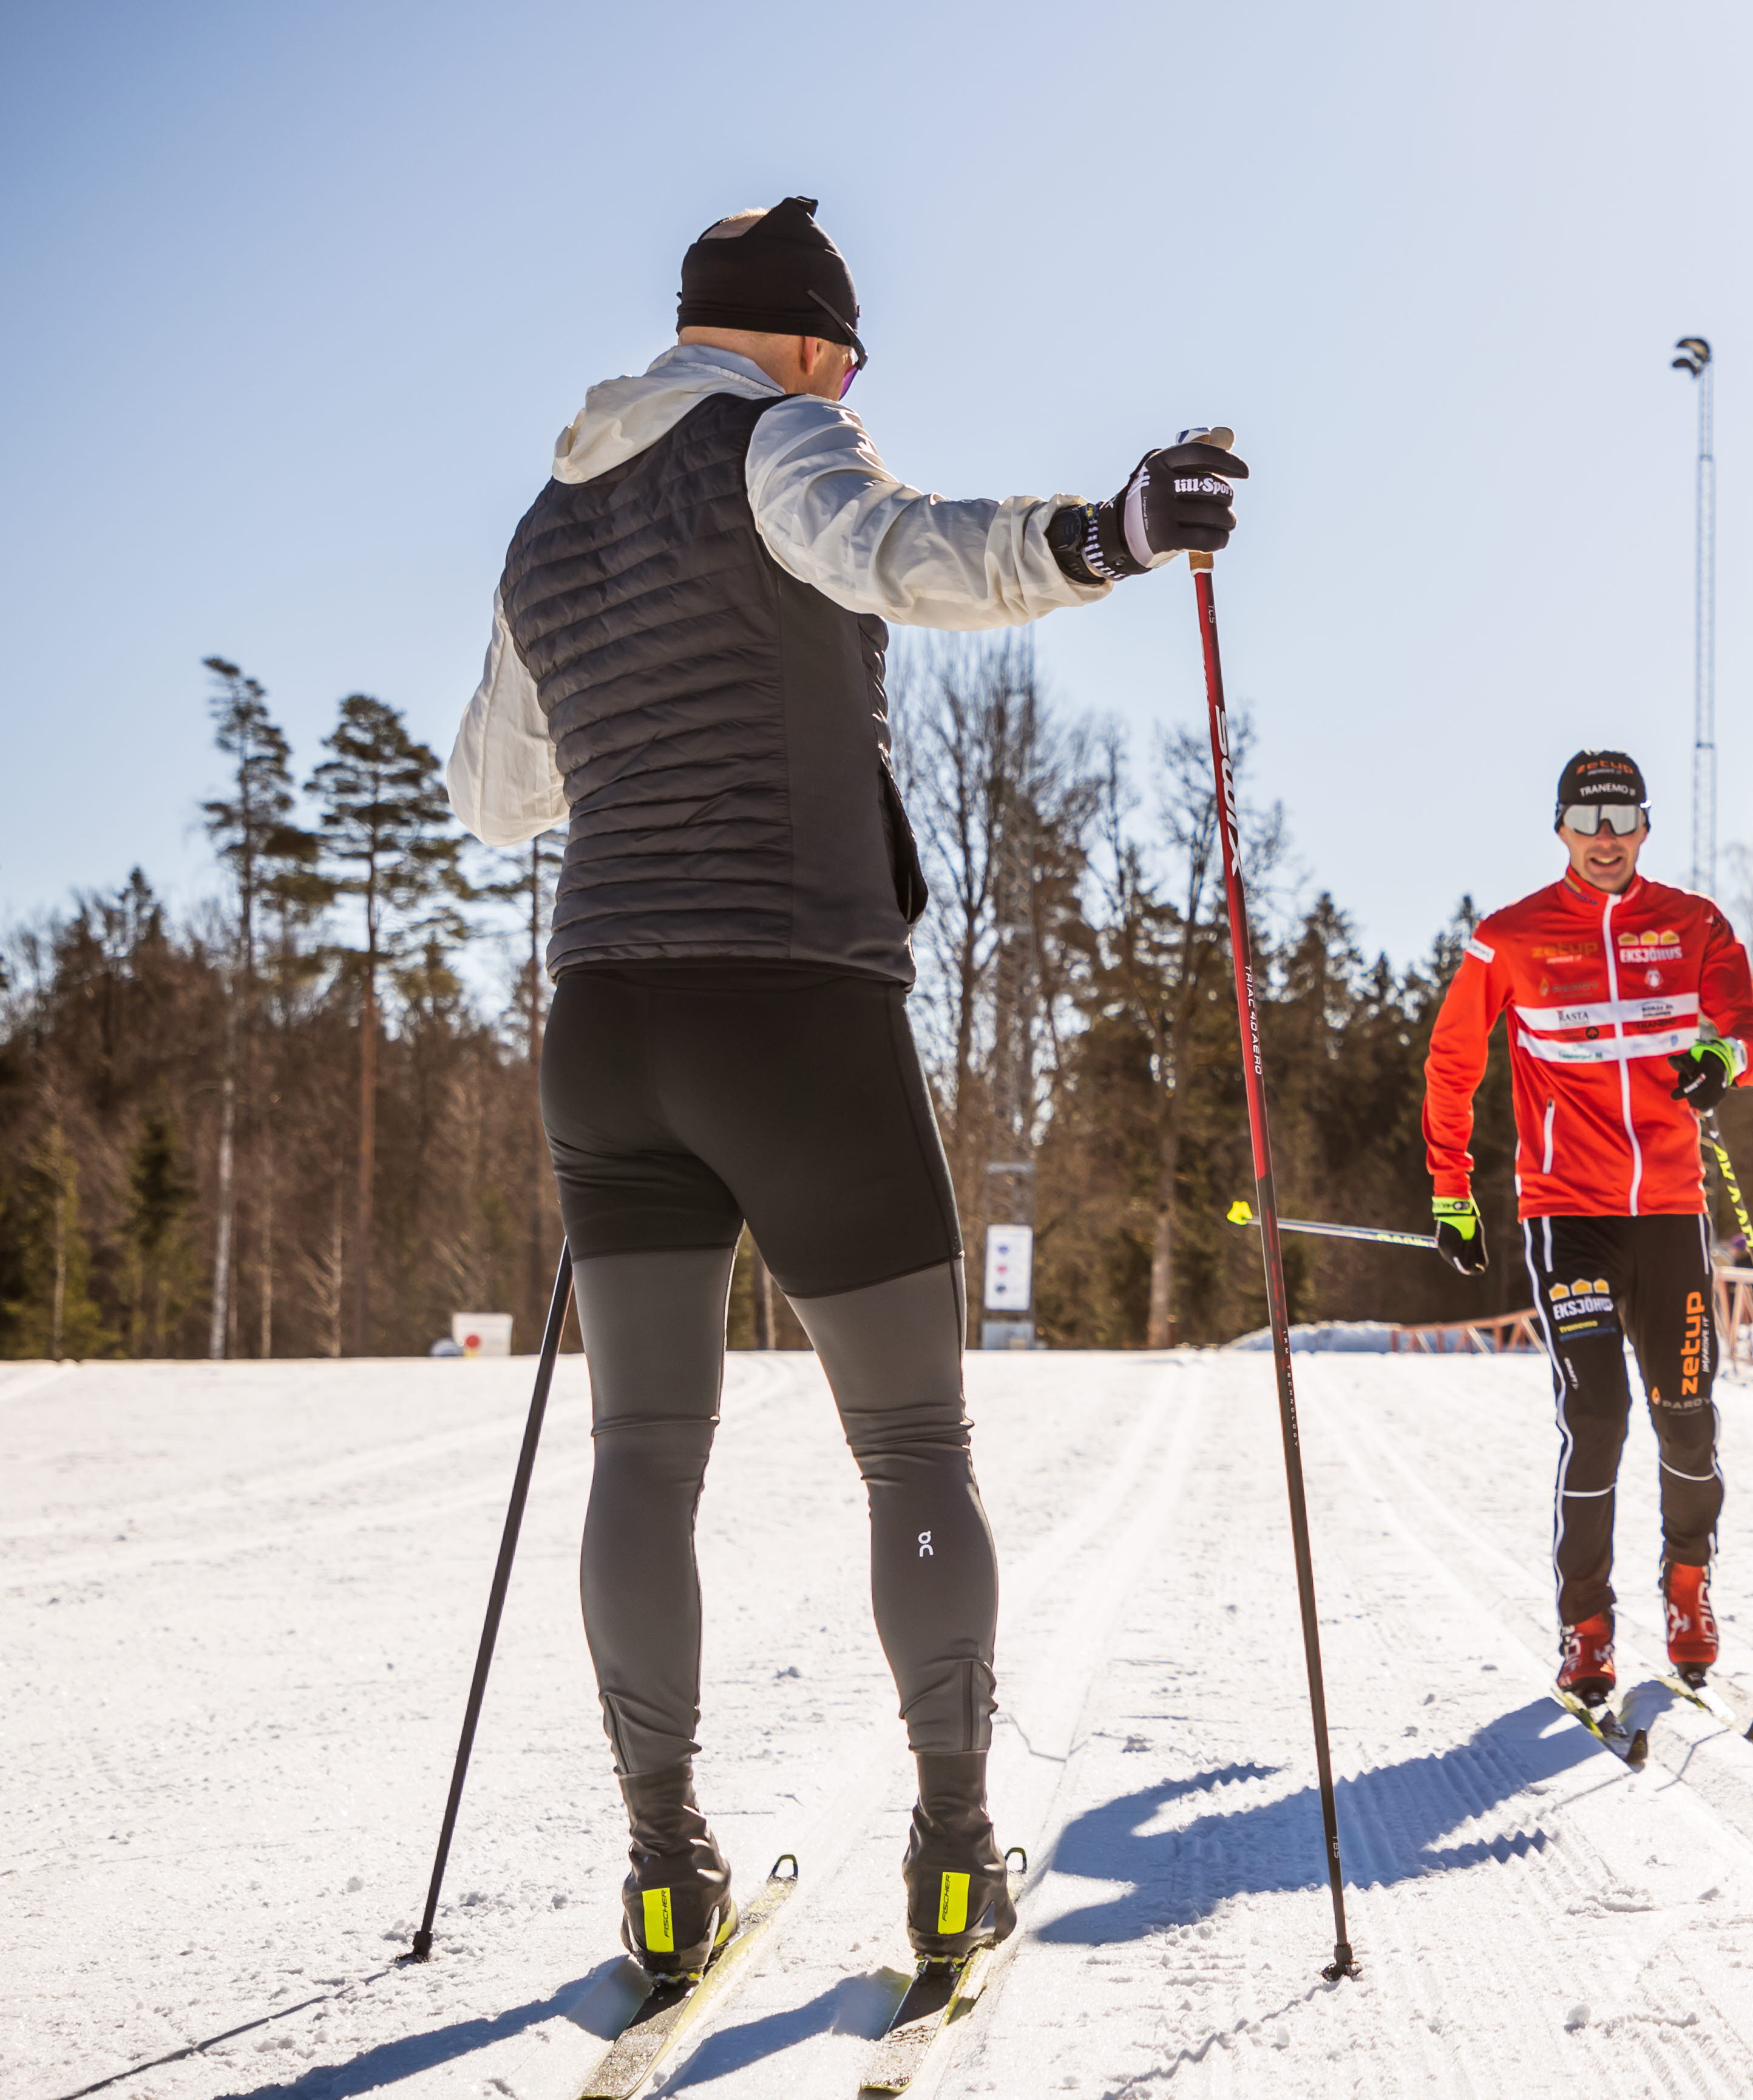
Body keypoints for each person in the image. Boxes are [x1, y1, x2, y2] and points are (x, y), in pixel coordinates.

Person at [443, 196, 1246, 1983]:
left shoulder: (544, 520)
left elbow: (494, 795)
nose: (857, 384)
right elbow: (893, 550)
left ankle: (663, 1869)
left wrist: (641, 701)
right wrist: (1106, 531)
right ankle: (957, 1856)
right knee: (911, 1445)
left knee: (644, 1451)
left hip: (607, 1016)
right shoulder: (780, 437)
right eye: (854, 354)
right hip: (791, 1007)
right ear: (806, 340)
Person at [1420, 750, 1753, 1706]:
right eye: (1589, 818)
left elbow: (1749, 1025)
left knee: (1687, 1420)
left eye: (1623, 818)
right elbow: (1454, 1063)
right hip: (1567, 1214)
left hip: (1668, 1210)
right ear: (1562, 830)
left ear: (1646, 828)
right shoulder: (1510, 939)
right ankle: (1586, 1625)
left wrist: (1721, 1058)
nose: (1607, 837)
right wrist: (1452, 1193)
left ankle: (1689, 1587)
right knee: (1597, 1415)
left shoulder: (1694, 925)